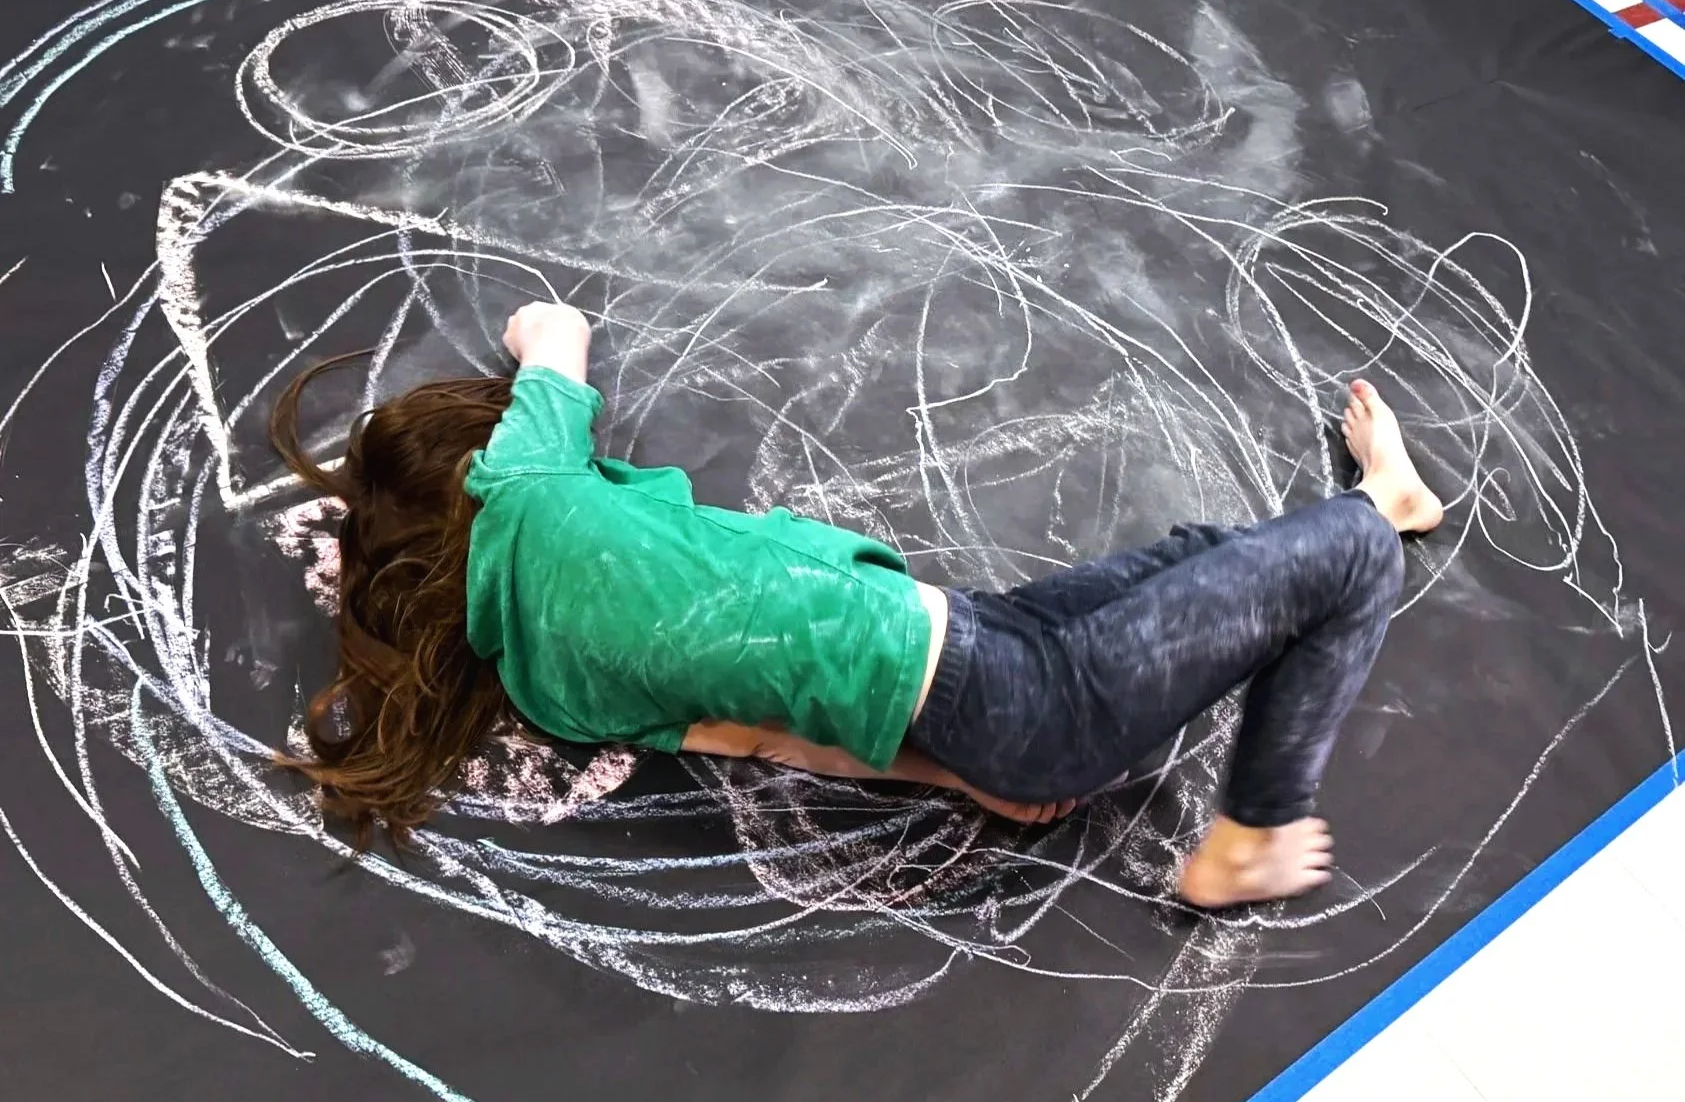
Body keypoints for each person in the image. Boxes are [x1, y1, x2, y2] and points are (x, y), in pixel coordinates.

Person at [272, 301, 1442, 908]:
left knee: (1198, 556)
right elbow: (556, 341)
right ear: (476, 472)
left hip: (986, 664)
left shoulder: (543, 680)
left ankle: (1370, 513)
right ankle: (1251, 834)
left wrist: (954, 775)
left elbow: (755, 738)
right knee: (1349, 562)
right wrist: (530, 348)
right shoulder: (528, 483)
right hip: (1023, 696)